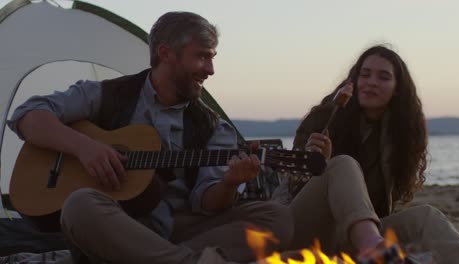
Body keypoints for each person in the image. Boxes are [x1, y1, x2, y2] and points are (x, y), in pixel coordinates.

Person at [7, 12, 293, 264]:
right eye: (202, 56)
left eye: (212, 58)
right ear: (166, 53)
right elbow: (28, 114)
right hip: (114, 224)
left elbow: (208, 204)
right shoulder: (108, 95)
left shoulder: (212, 128)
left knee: (276, 219)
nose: (210, 70)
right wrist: (85, 148)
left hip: (179, 228)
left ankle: (161, 258)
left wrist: (230, 182)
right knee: (78, 204)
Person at [273, 45, 459, 263]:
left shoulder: (400, 136)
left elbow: (386, 205)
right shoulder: (323, 119)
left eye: (383, 77)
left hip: (354, 236)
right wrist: (315, 164)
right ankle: (375, 249)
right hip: (304, 230)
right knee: (343, 164)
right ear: (354, 81)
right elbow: (290, 186)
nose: (371, 82)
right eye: (364, 74)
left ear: (397, 89)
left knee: (426, 217)